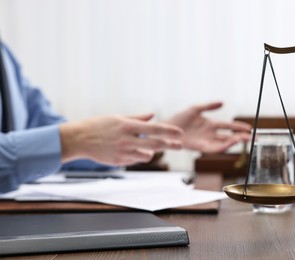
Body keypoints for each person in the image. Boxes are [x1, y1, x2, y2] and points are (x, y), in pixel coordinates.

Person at [0, 40, 251, 193]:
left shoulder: (4, 55)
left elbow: (43, 135)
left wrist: (155, 134)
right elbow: (62, 141)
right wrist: (75, 139)